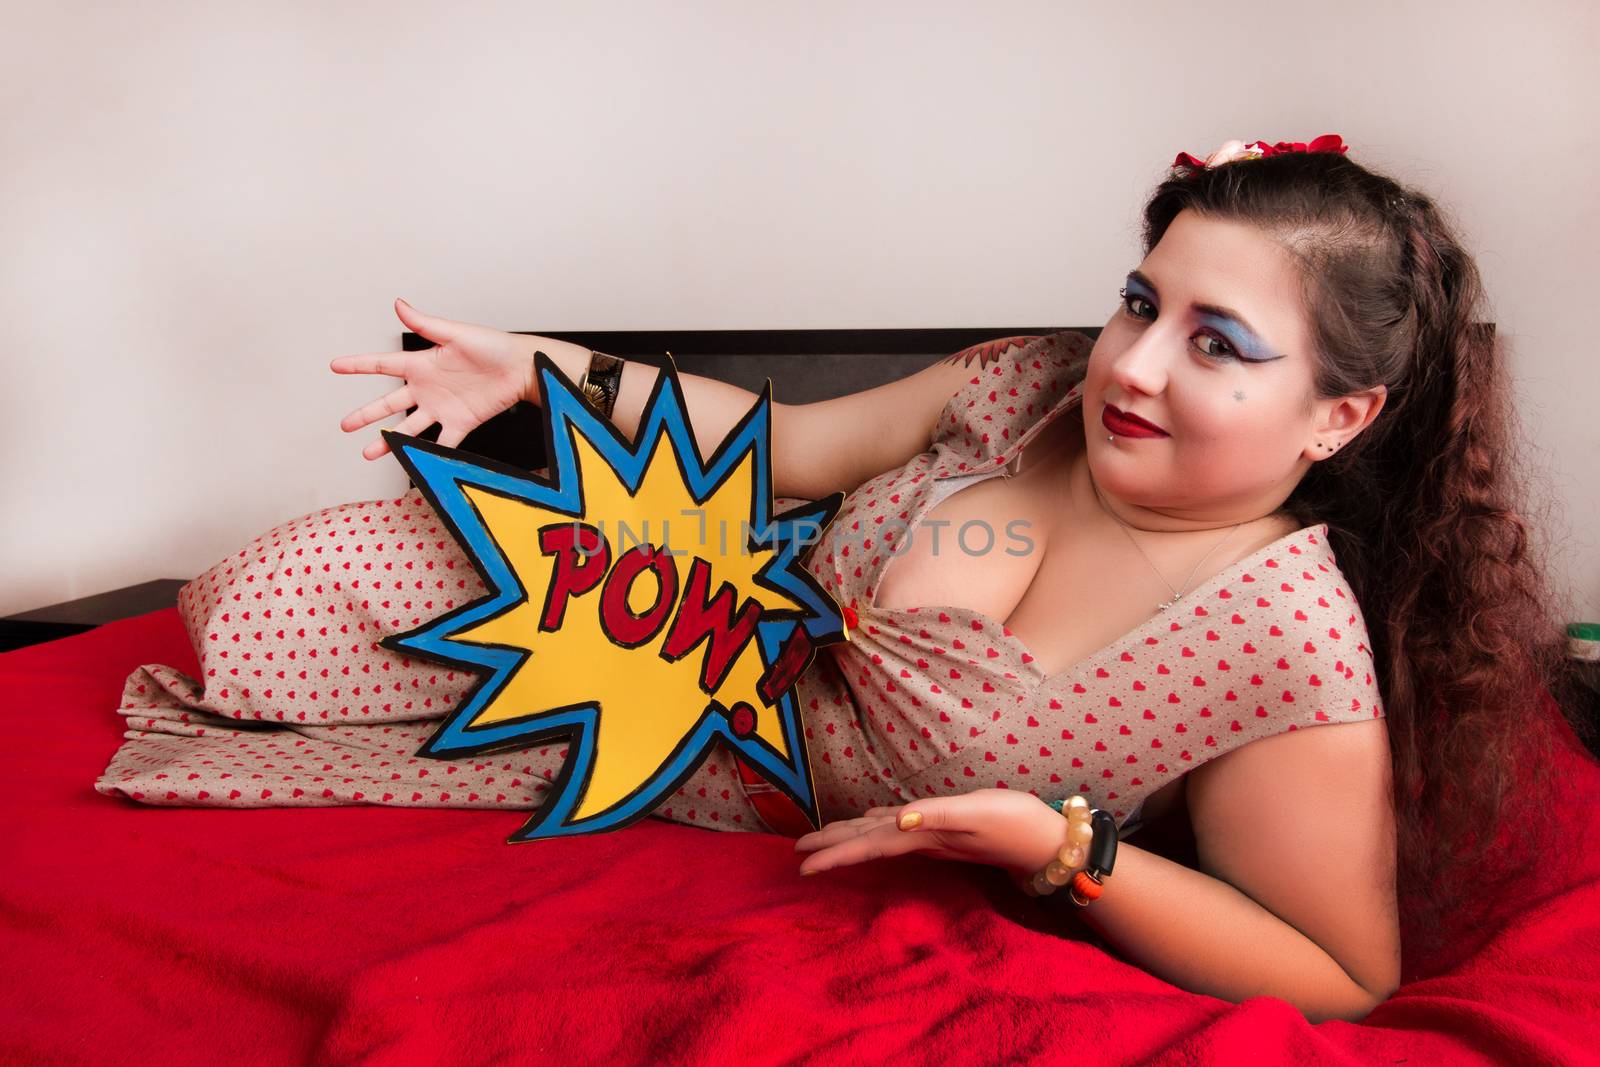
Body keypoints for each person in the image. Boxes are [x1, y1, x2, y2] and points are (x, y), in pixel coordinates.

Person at [96, 135, 1587, 1024]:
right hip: (675, 621)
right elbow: (797, 446)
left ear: (1341, 416)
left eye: (1218, 342)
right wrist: (542, 370)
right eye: (1144, 301)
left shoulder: (1281, 650)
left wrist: (1060, 851)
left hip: (722, 775)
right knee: (261, 598)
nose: (1132, 363)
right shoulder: (1038, 386)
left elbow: (1342, 977)